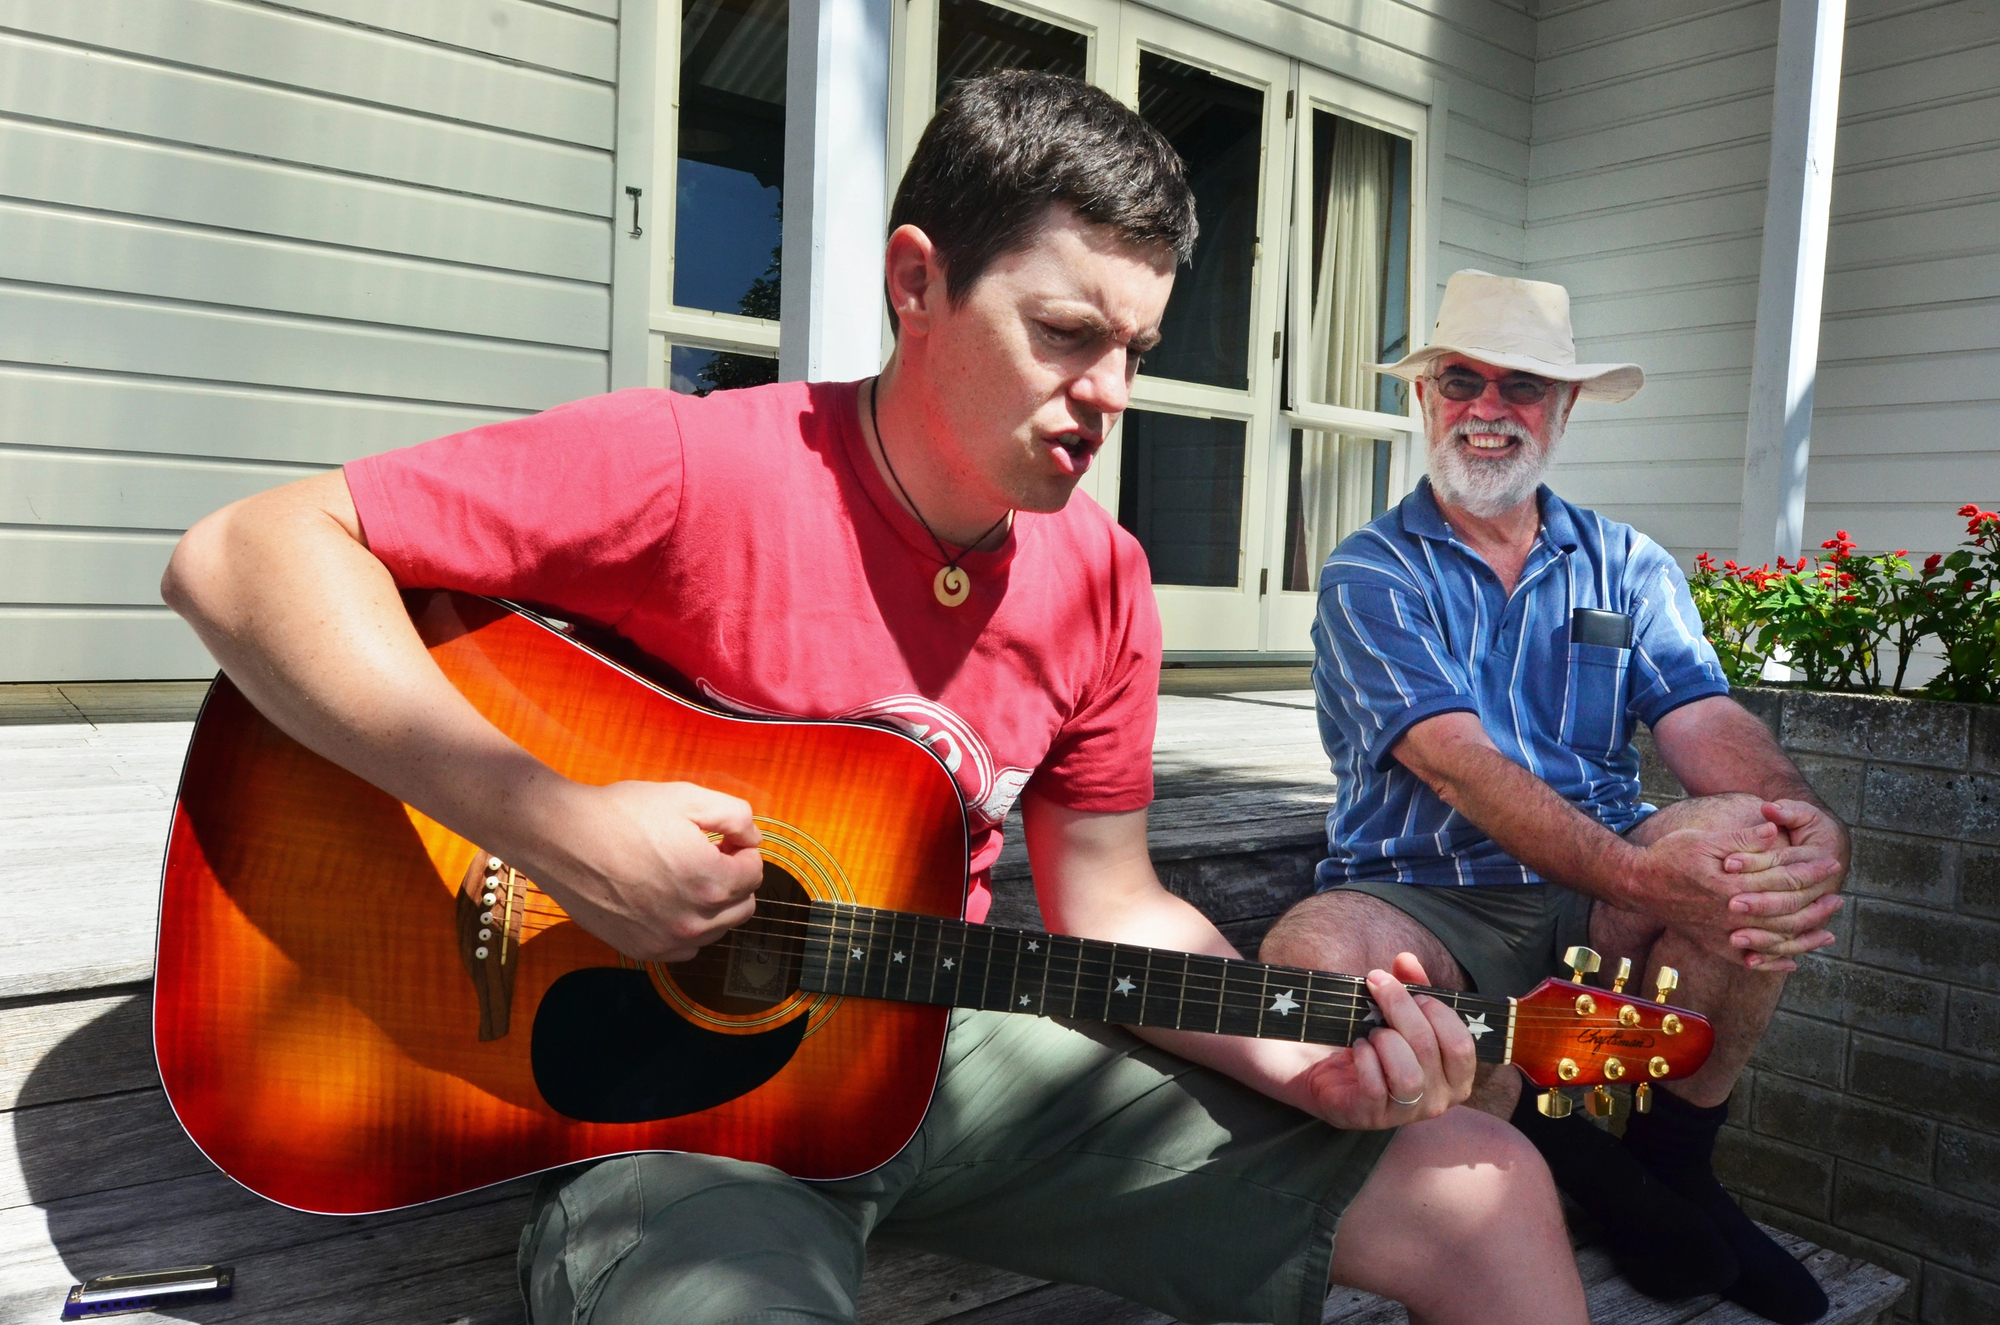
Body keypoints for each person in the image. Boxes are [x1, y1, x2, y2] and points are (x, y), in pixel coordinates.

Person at [162, 77, 1588, 1325]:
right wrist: (552, 824)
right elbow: (242, 555)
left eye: (1136, 352)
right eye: (1063, 333)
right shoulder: (696, 466)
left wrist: (1308, 1053)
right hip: (669, 1117)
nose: (1109, 394)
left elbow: (1110, 905)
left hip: (940, 1050)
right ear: (918, 283)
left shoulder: (1103, 576)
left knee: (1487, 1178)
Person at [1260, 269, 1849, 1325]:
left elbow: (1701, 719)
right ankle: (1545, 1143)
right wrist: (1633, 866)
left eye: (1520, 385)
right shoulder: (1370, 572)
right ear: (1423, 399)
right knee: (1311, 958)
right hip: (1421, 891)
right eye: (1459, 380)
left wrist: (1798, 823)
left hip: (1592, 899)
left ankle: (1671, 1169)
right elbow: (1453, 761)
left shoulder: (1625, 563)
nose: (1486, 410)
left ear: (1563, 407)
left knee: (1749, 843)